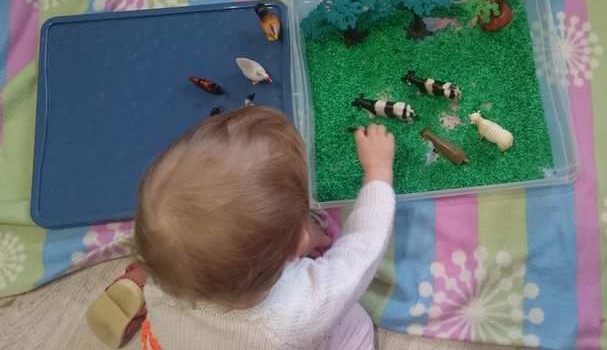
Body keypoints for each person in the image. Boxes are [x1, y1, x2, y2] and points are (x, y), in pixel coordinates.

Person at [87, 106, 396, 349]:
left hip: (172, 338)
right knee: (356, 323)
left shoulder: (167, 272)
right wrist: (378, 173)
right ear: (296, 247)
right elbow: (361, 251)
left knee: (177, 256)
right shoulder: (300, 311)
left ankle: (139, 278)